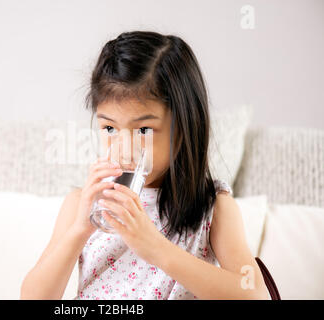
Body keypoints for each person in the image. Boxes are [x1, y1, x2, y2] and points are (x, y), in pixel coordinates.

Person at [20, 31, 270, 300]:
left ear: (184, 128)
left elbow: (254, 294)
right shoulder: (81, 204)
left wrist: (156, 248)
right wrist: (80, 229)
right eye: (109, 127)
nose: (125, 147)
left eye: (143, 130)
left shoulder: (212, 208)